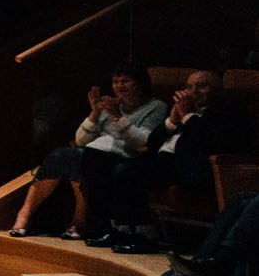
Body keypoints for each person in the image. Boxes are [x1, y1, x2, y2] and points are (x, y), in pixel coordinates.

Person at [9, 67, 162, 240]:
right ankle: (29, 215)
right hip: (95, 153)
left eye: (125, 81)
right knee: (61, 155)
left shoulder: (154, 107)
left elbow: (143, 142)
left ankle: (75, 220)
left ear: (140, 84)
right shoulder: (111, 105)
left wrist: (118, 117)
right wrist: (95, 113)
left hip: (125, 158)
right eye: (115, 82)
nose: (119, 86)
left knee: (76, 158)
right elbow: (80, 140)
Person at [102, 71, 246, 254]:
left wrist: (187, 116)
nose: (194, 91)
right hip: (166, 160)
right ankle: (123, 230)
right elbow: (151, 143)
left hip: (192, 166)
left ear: (217, 90)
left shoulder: (228, 111)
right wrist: (172, 120)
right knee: (118, 167)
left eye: (202, 86)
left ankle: (144, 235)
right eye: (189, 87)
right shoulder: (184, 109)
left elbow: (209, 142)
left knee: (128, 172)